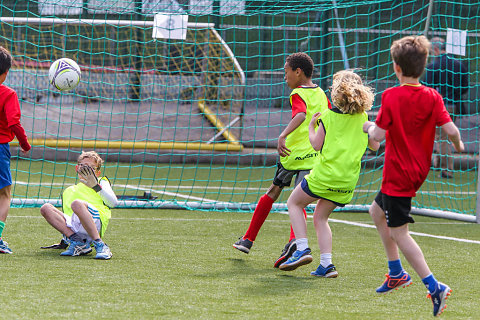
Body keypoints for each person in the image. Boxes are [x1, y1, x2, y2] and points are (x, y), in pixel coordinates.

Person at [364, 35, 464, 317]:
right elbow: (452, 132)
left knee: (399, 232)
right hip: (417, 171)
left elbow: (378, 137)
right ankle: (396, 272)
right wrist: (459, 147)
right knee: (375, 211)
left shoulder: (391, 96)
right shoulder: (433, 96)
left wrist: (368, 128)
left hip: (399, 174)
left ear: (396, 67)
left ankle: (434, 287)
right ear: (423, 65)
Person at [233, 52, 331, 267]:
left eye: (286, 72)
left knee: (273, 192)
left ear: (298, 72)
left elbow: (301, 115)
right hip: (315, 156)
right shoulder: (322, 93)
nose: (284, 77)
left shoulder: (298, 93)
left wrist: (282, 135)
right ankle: (293, 244)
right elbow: (329, 120)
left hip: (293, 154)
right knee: (300, 199)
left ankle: (249, 240)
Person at [278, 70, 379, 277]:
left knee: (294, 203)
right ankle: (326, 264)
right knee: (320, 217)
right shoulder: (364, 118)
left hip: (323, 177)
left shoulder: (327, 117)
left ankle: (302, 248)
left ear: (336, 93)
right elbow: (375, 146)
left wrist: (311, 127)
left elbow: (316, 145)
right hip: (347, 182)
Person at [40, 151, 118, 260]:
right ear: (77, 168)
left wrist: (95, 186)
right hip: (75, 230)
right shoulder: (69, 190)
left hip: (95, 222)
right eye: (84, 166)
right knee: (46, 208)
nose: (87, 170)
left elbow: (113, 203)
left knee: (77, 204)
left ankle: (100, 244)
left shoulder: (101, 182)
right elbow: (69, 216)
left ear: (97, 173)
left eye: (92, 168)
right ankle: (77, 242)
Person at [0, 46, 31, 254]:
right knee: (4, 194)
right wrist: (24, 144)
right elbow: (14, 123)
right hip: (0, 148)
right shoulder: (8, 94)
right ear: (6, 72)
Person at [424, 37, 469, 179]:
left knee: (442, 138)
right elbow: (465, 87)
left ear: (436, 49)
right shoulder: (459, 65)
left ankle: (447, 169)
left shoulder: (433, 66)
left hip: (439, 107)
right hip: (454, 105)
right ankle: (438, 162)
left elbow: (427, 89)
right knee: (444, 136)